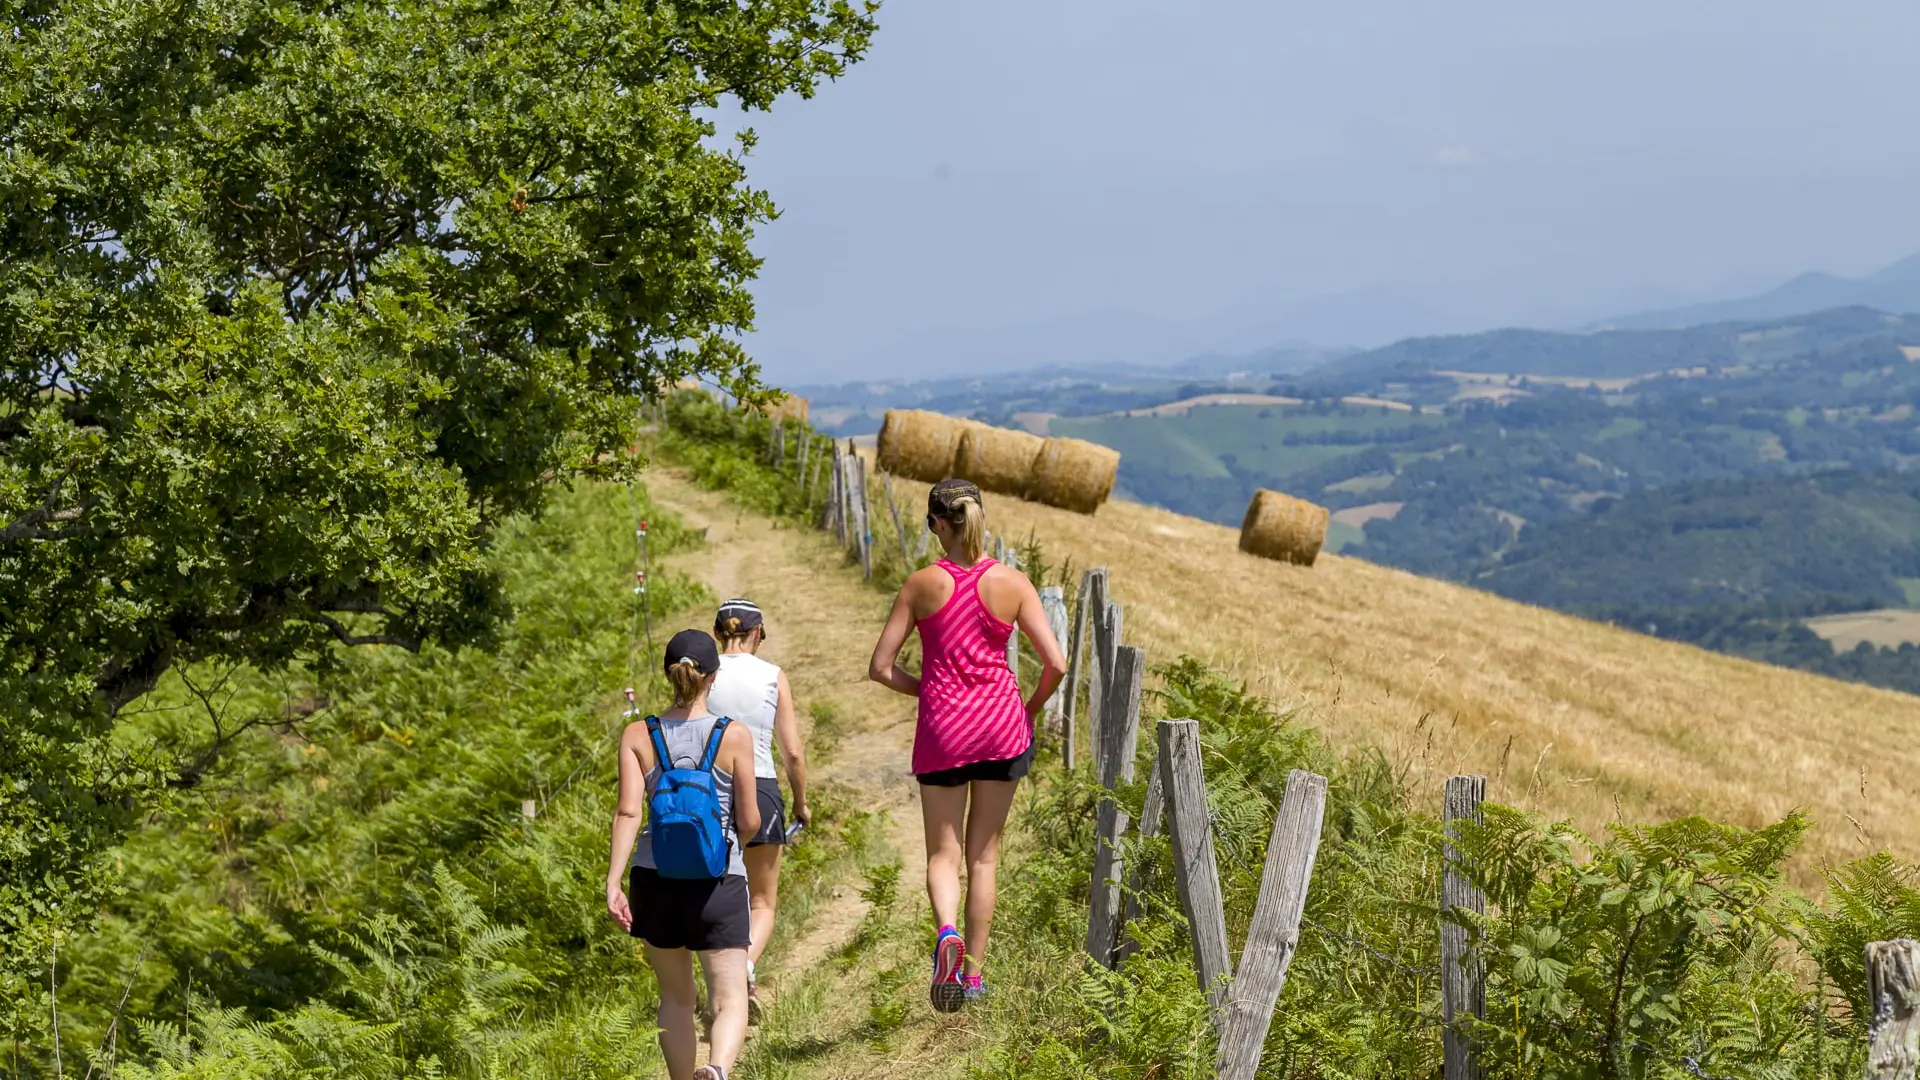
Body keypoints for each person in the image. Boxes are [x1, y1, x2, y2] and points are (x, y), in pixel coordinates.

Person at [867, 478, 1067, 1012]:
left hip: (943, 732)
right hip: (1003, 727)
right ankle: (973, 978)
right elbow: (1058, 664)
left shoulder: (920, 585)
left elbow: (881, 668)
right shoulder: (1013, 582)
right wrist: (1026, 709)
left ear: (937, 523)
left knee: (943, 852)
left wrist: (926, 690)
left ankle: (947, 933)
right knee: (984, 858)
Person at [607, 629, 760, 1080]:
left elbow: (628, 811)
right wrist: (735, 849)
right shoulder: (733, 735)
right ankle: (715, 1070)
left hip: (654, 880)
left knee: (675, 998)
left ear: (669, 675)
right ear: (713, 676)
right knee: (729, 997)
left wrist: (614, 882)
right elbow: (749, 820)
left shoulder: (639, 734)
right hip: (718, 879)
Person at [705, 597, 811, 1020]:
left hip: (709, 793)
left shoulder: (701, 670)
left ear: (718, 634)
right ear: (756, 634)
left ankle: (722, 983)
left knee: (713, 890)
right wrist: (801, 804)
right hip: (762, 788)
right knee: (762, 901)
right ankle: (744, 969)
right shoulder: (772, 676)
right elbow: (793, 753)